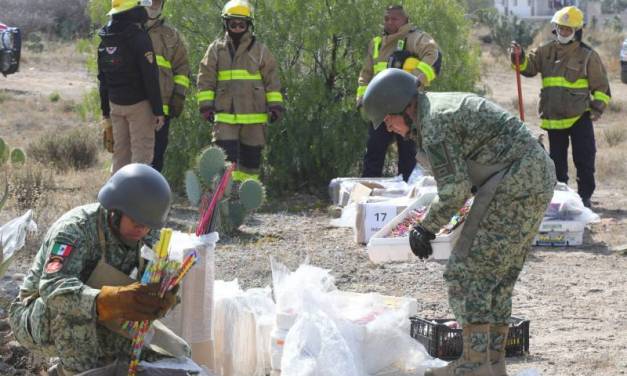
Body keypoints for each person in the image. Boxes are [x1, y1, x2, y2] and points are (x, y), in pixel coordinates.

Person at [363, 68, 556, 376]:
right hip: (532, 177)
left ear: (404, 107)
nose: (388, 127)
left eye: (388, 119)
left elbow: (454, 190)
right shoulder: (434, 113)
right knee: (497, 278)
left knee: (465, 273)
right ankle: (493, 364)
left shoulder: (436, 123)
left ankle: (474, 364)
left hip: (515, 182)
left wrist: (425, 228)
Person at [9, 164, 187, 375]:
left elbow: (157, 281)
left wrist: (164, 297)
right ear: (116, 210)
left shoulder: (150, 238)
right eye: (135, 221)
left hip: (107, 317)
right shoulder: (76, 228)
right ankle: (74, 371)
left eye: (147, 224)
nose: (141, 229)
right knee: (74, 317)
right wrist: (109, 300)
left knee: (171, 353)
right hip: (38, 315)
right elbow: (52, 287)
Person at [510, 6, 611, 208]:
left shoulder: (588, 56)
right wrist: (517, 57)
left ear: (576, 30)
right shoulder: (544, 51)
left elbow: (602, 88)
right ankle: (559, 199)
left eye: (568, 29)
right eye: (561, 28)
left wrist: (596, 109)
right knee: (556, 164)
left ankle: (584, 198)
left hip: (580, 117)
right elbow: (527, 69)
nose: (564, 32)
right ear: (555, 28)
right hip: (553, 117)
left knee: (584, 160)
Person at [197, 0, 284, 182]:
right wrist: (206, 106)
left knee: (251, 161)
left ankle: (245, 201)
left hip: (255, 117)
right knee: (225, 159)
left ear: (249, 25)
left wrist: (275, 106)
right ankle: (225, 197)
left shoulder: (260, 51)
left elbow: (272, 80)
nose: (237, 27)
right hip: (224, 116)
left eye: (241, 24)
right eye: (232, 23)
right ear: (226, 24)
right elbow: (205, 78)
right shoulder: (215, 49)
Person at [357, 5, 441, 181]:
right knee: (373, 153)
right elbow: (366, 73)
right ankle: (367, 193)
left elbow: (433, 56)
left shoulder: (416, 38)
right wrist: (362, 99)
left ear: (405, 20)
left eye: (394, 19)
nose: (389, 22)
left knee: (408, 156)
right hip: (381, 108)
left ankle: (407, 197)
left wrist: (413, 81)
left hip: (407, 108)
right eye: (387, 18)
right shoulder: (376, 43)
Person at [98, 0, 165, 174]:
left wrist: (105, 112)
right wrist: (158, 111)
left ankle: (117, 199)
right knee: (141, 158)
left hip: (115, 105)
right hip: (139, 106)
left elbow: (103, 80)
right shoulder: (138, 36)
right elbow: (150, 76)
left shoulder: (105, 38)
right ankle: (138, 199)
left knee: (121, 155)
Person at [145, 0, 191, 172]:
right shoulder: (130, 30)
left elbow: (182, 69)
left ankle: (153, 196)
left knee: (156, 156)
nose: (153, 5)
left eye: (157, 1)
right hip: (136, 106)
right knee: (135, 156)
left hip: (162, 110)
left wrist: (178, 97)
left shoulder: (172, 36)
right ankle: (131, 197)